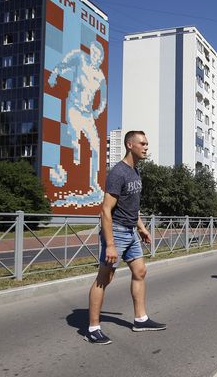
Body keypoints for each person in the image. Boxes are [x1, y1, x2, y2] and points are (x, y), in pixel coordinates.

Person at [86, 131, 166, 345]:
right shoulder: (118, 173)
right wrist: (110, 244)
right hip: (117, 232)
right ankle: (93, 328)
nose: (146, 147)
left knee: (140, 271)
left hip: (131, 231)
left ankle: (140, 319)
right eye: (142, 143)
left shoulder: (135, 172)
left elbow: (132, 206)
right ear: (130, 145)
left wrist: (142, 228)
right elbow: (105, 210)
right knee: (105, 278)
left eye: (147, 143)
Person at [48, 40, 107, 207]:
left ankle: (94, 183)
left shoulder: (101, 76)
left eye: (98, 55)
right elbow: (63, 64)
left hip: (87, 114)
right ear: (90, 53)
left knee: (96, 146)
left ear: (101, 58)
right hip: (73, 108)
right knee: (75, 143)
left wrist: (98, 111)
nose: (95, 57)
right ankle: (68, 179)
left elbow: (103, 98)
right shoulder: (80, 58)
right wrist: (54, 75)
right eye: (93, 53)